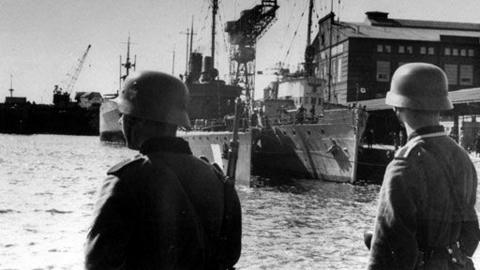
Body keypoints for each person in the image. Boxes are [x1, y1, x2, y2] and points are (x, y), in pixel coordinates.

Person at [85, 71, 242, 270]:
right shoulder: (219, 181)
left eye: (124, 114)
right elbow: (230, 256)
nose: (120, 121)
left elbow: (97, 264)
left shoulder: (125, 180)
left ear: (136, 120)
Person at [366, 63, 480, 270]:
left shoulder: (404, 164)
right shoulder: (462, 157)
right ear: (440, 106)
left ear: (397, 108)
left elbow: (388, 245)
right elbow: (471, 233)